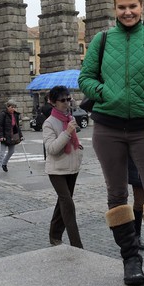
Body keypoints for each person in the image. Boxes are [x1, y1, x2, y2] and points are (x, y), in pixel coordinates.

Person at [79, 0, 144, 286]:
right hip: (107, 126)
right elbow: (85, 78)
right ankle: (130, 258)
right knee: (117, 193)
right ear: (115, 9)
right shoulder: (101, 40)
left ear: (142, 7)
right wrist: (106, 93)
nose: (127, 12)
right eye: (122, 7)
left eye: (132, 6)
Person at [43, 85, 84, 248]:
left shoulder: (70, 118)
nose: (67, 103)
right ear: (53, 102)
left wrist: (78, 147)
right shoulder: (49, 123)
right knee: (68, 204)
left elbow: (73, 140)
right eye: (62, 100)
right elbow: (51, 149)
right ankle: (77, 245)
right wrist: (67, 132)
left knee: (63, 202)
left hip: (72, 168)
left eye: (69, 99)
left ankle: (54, 235)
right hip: (57, 170)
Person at [0, 100, 22, 172]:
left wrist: (20, 136)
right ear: (7, 107)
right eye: (11, 107)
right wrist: (1, 136)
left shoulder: (15, 115)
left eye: (14, 107)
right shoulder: (3, 114)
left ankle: (4, 163)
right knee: (1, 153)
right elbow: (0, 126)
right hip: (4, 136)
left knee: (11, 151)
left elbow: (16, 126)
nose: (13, 109)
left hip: (12, 136)